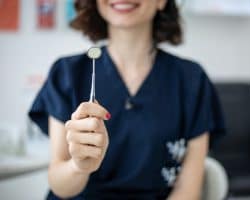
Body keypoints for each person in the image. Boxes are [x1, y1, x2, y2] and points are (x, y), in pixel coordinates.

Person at [29, 0, 225, 199]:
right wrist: (79, 166)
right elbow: (60, 186)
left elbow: (187, 191)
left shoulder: (191, 80)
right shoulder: (67, 74)